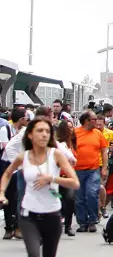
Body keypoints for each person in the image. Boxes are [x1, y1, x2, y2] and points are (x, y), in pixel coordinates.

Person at [0, 118, 80, 257]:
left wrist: (52, 178)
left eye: (47, 131)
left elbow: (75, 182)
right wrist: (2, 193)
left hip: (52, 215)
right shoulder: (23, 157)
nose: (44, 134)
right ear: (30, 134)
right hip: (29, 215)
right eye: (40, 130)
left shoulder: (56, 155)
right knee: (34, 254)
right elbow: (7, 174)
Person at [72, 110, 108, 233]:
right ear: (87, 121)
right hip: (77, 170)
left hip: (93, 170)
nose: (97, 122)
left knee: (92, 193)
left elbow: (104, 150)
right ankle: (82, 222)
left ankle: (93, 220)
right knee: (79, 198)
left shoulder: (98, 134)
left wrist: (104, 168)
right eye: (94, 119)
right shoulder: (75, 133)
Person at [1, 107, 29, 240]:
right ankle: (9, 227)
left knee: (18, 196)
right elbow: (7, 148)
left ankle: (18, 227)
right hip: (7, 165)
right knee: (9, 197)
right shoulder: (5, 129)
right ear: (21, 119)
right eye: (25, 117)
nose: (27, 119)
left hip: (19, 166)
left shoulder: (23, 130)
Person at [54, 122, 78, 237]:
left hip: (69, 178)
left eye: (72, 127)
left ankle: (68, 226)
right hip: (58, 177)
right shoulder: (59, 144)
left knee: (70, 200)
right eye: (68, 128)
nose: (71, 129)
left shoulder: (72, 143)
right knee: (58, 198)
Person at [96, 114, 113, 220]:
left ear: (104, 123)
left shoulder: (109, 133)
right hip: (92, 164)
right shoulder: (92, 133)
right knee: (94, 189)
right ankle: (98, 211)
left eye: (100, 124)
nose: (98, 126)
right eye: (97, 124)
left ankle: (102, 206)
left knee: (100, 187)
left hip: (103, 164)